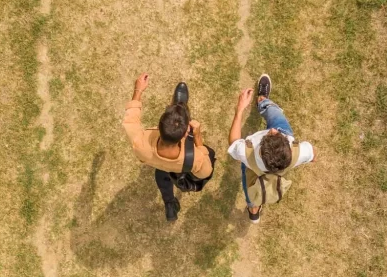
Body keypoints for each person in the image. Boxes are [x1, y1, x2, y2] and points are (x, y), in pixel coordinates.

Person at [122, 73, 216, 222]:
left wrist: (138, 90)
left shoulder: (141, 145)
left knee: (162, 179)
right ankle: (181, 105)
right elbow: (206, 172)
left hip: (157, 163)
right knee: (168, 175)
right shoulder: (195, 158)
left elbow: (130, 121)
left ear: (159, 126)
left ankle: (170, 205)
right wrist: (197, 137)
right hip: (180, 168)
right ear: (186, 133)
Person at [228, 74, 315, 223]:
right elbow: (312, 154)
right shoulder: (299, 153)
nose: (274, 130)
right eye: (277, 134)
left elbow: (233, 142)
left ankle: (253, 210)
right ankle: (263, 101)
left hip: (254, 168)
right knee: (276, 117)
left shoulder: (246, 154)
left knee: (248, 179)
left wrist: (240, 109)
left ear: (260, 151)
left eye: (271, 134)